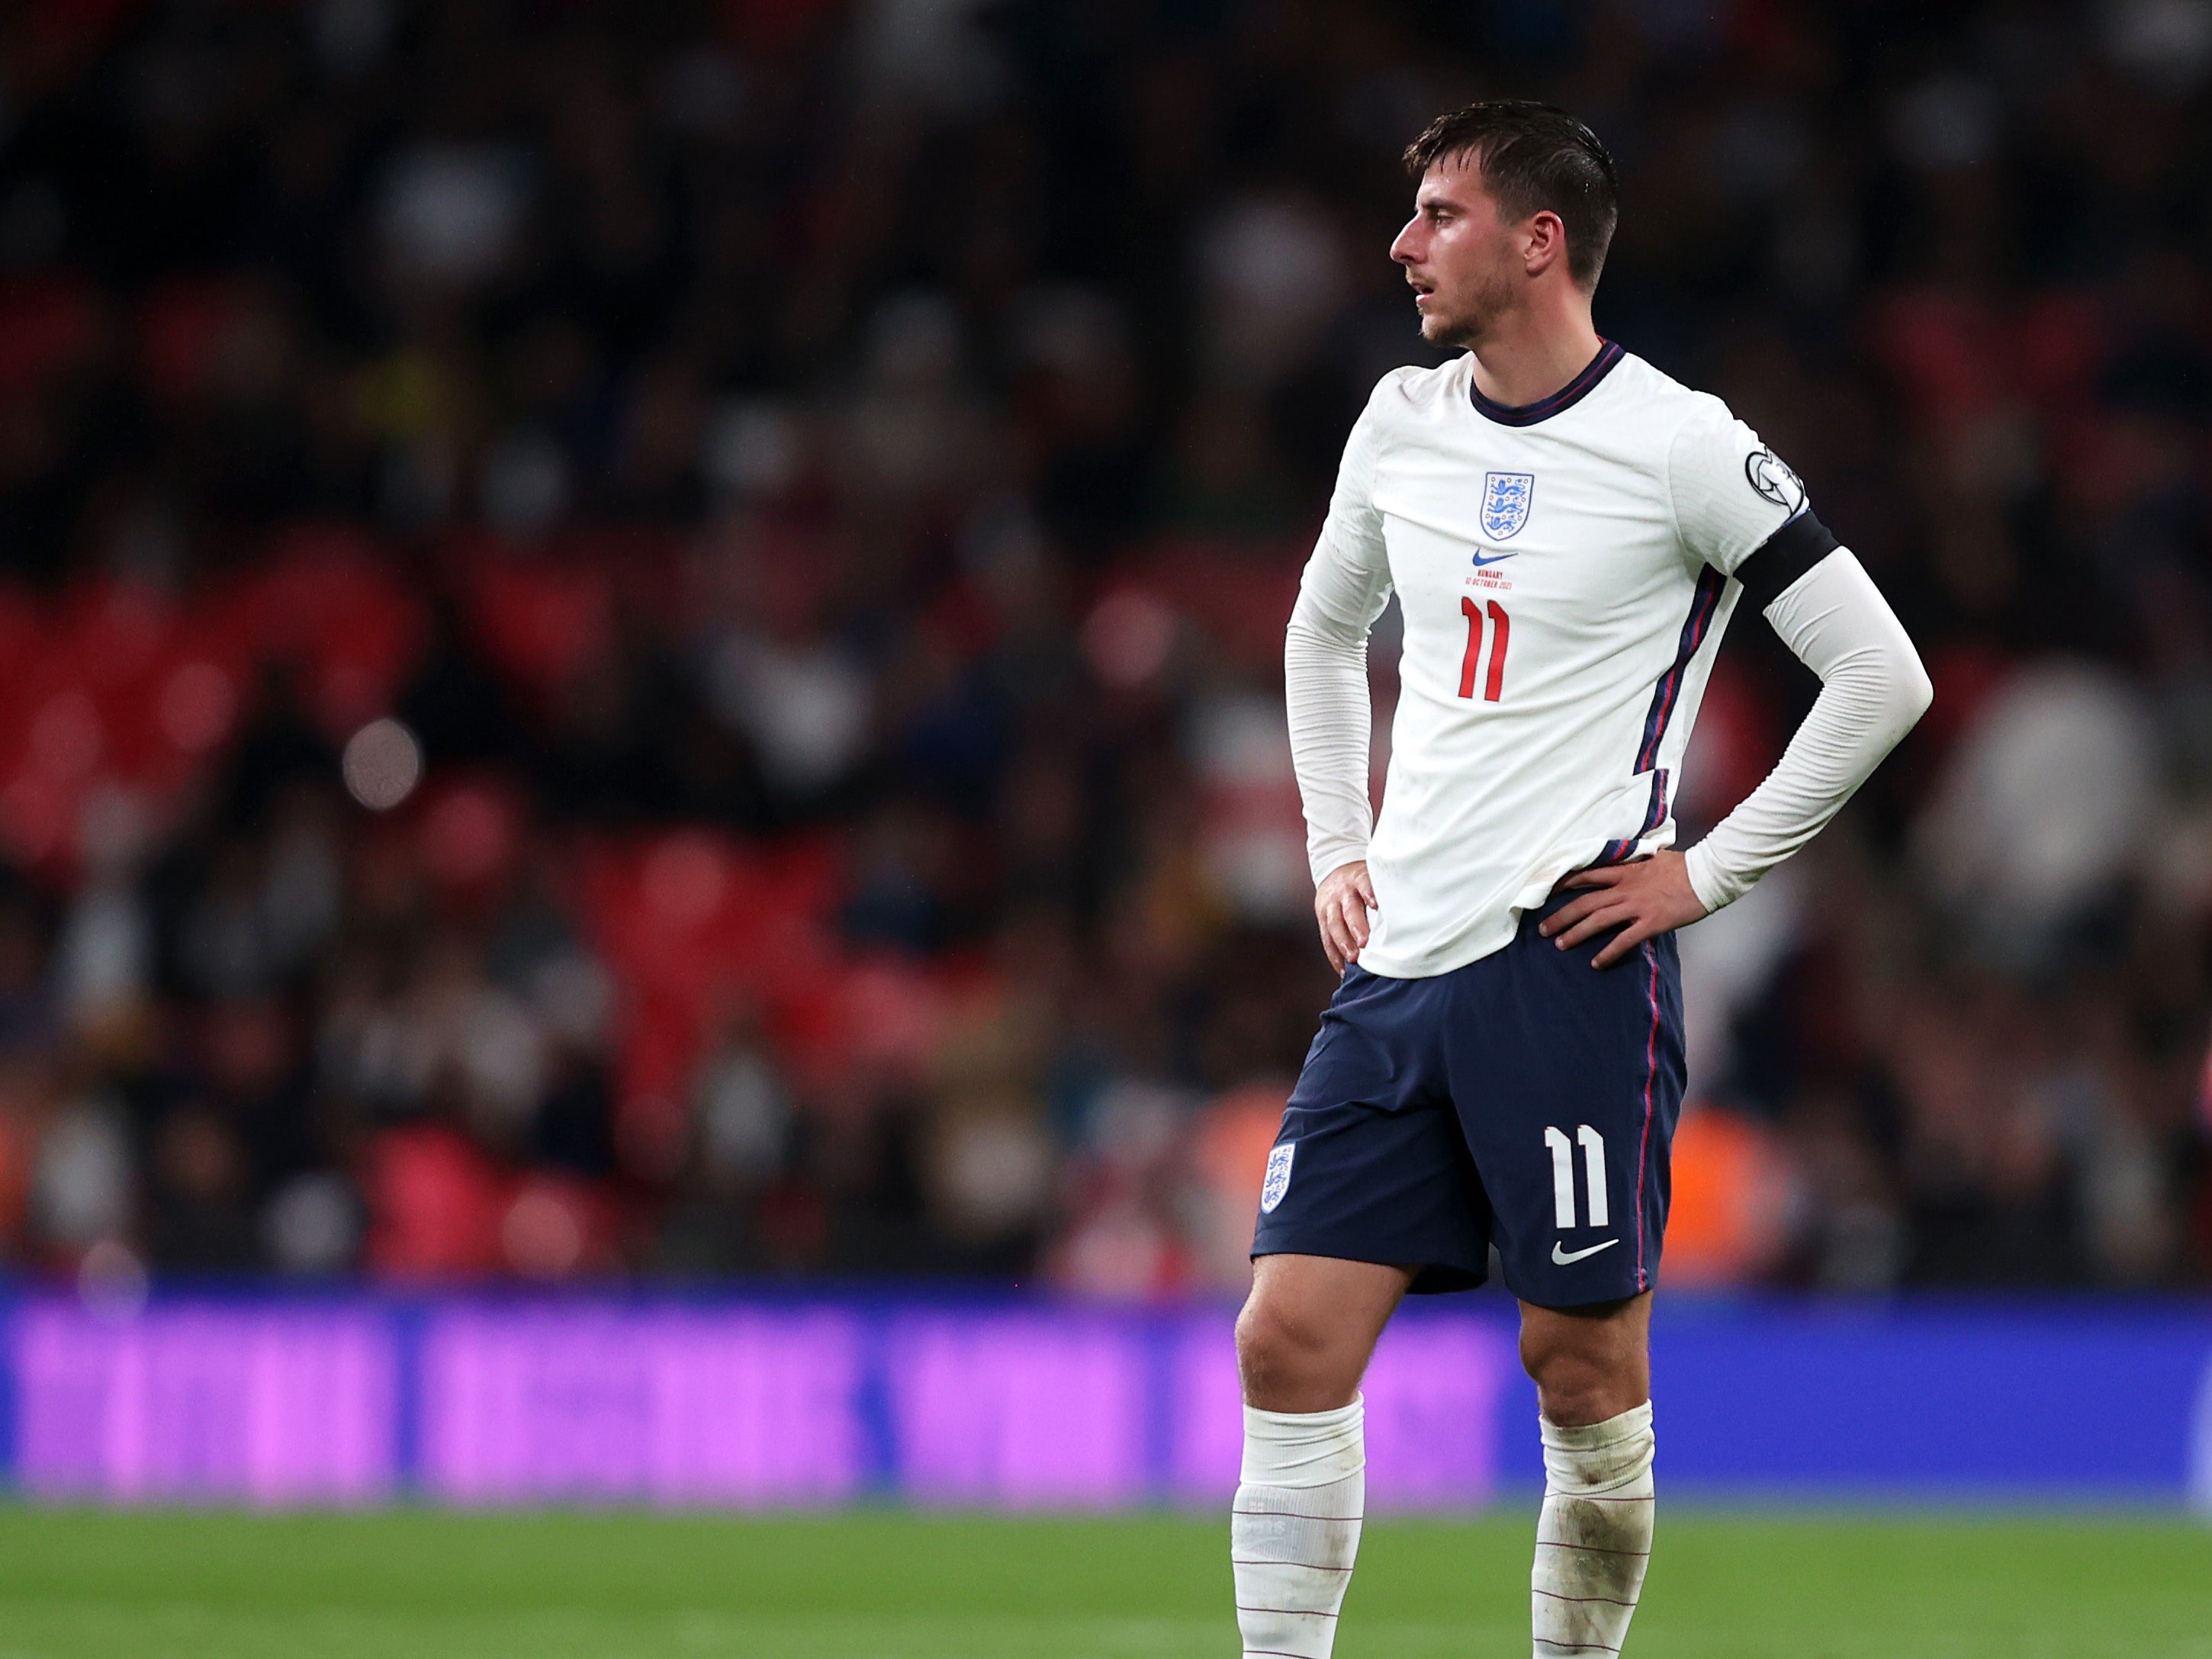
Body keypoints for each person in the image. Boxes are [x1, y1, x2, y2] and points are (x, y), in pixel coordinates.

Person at [1233, 102, 1931, 1659]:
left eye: (1437, 214)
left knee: (1579, 1364)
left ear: (1536, 240)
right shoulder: (1399, 420)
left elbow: (1878, 675)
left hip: (1565, 962)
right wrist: (1334, 843)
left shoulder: (1680, 443)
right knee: (1284, 1338)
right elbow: (1320, 629)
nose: (1402, 244)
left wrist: (1707, 872)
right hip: (1394, 962)